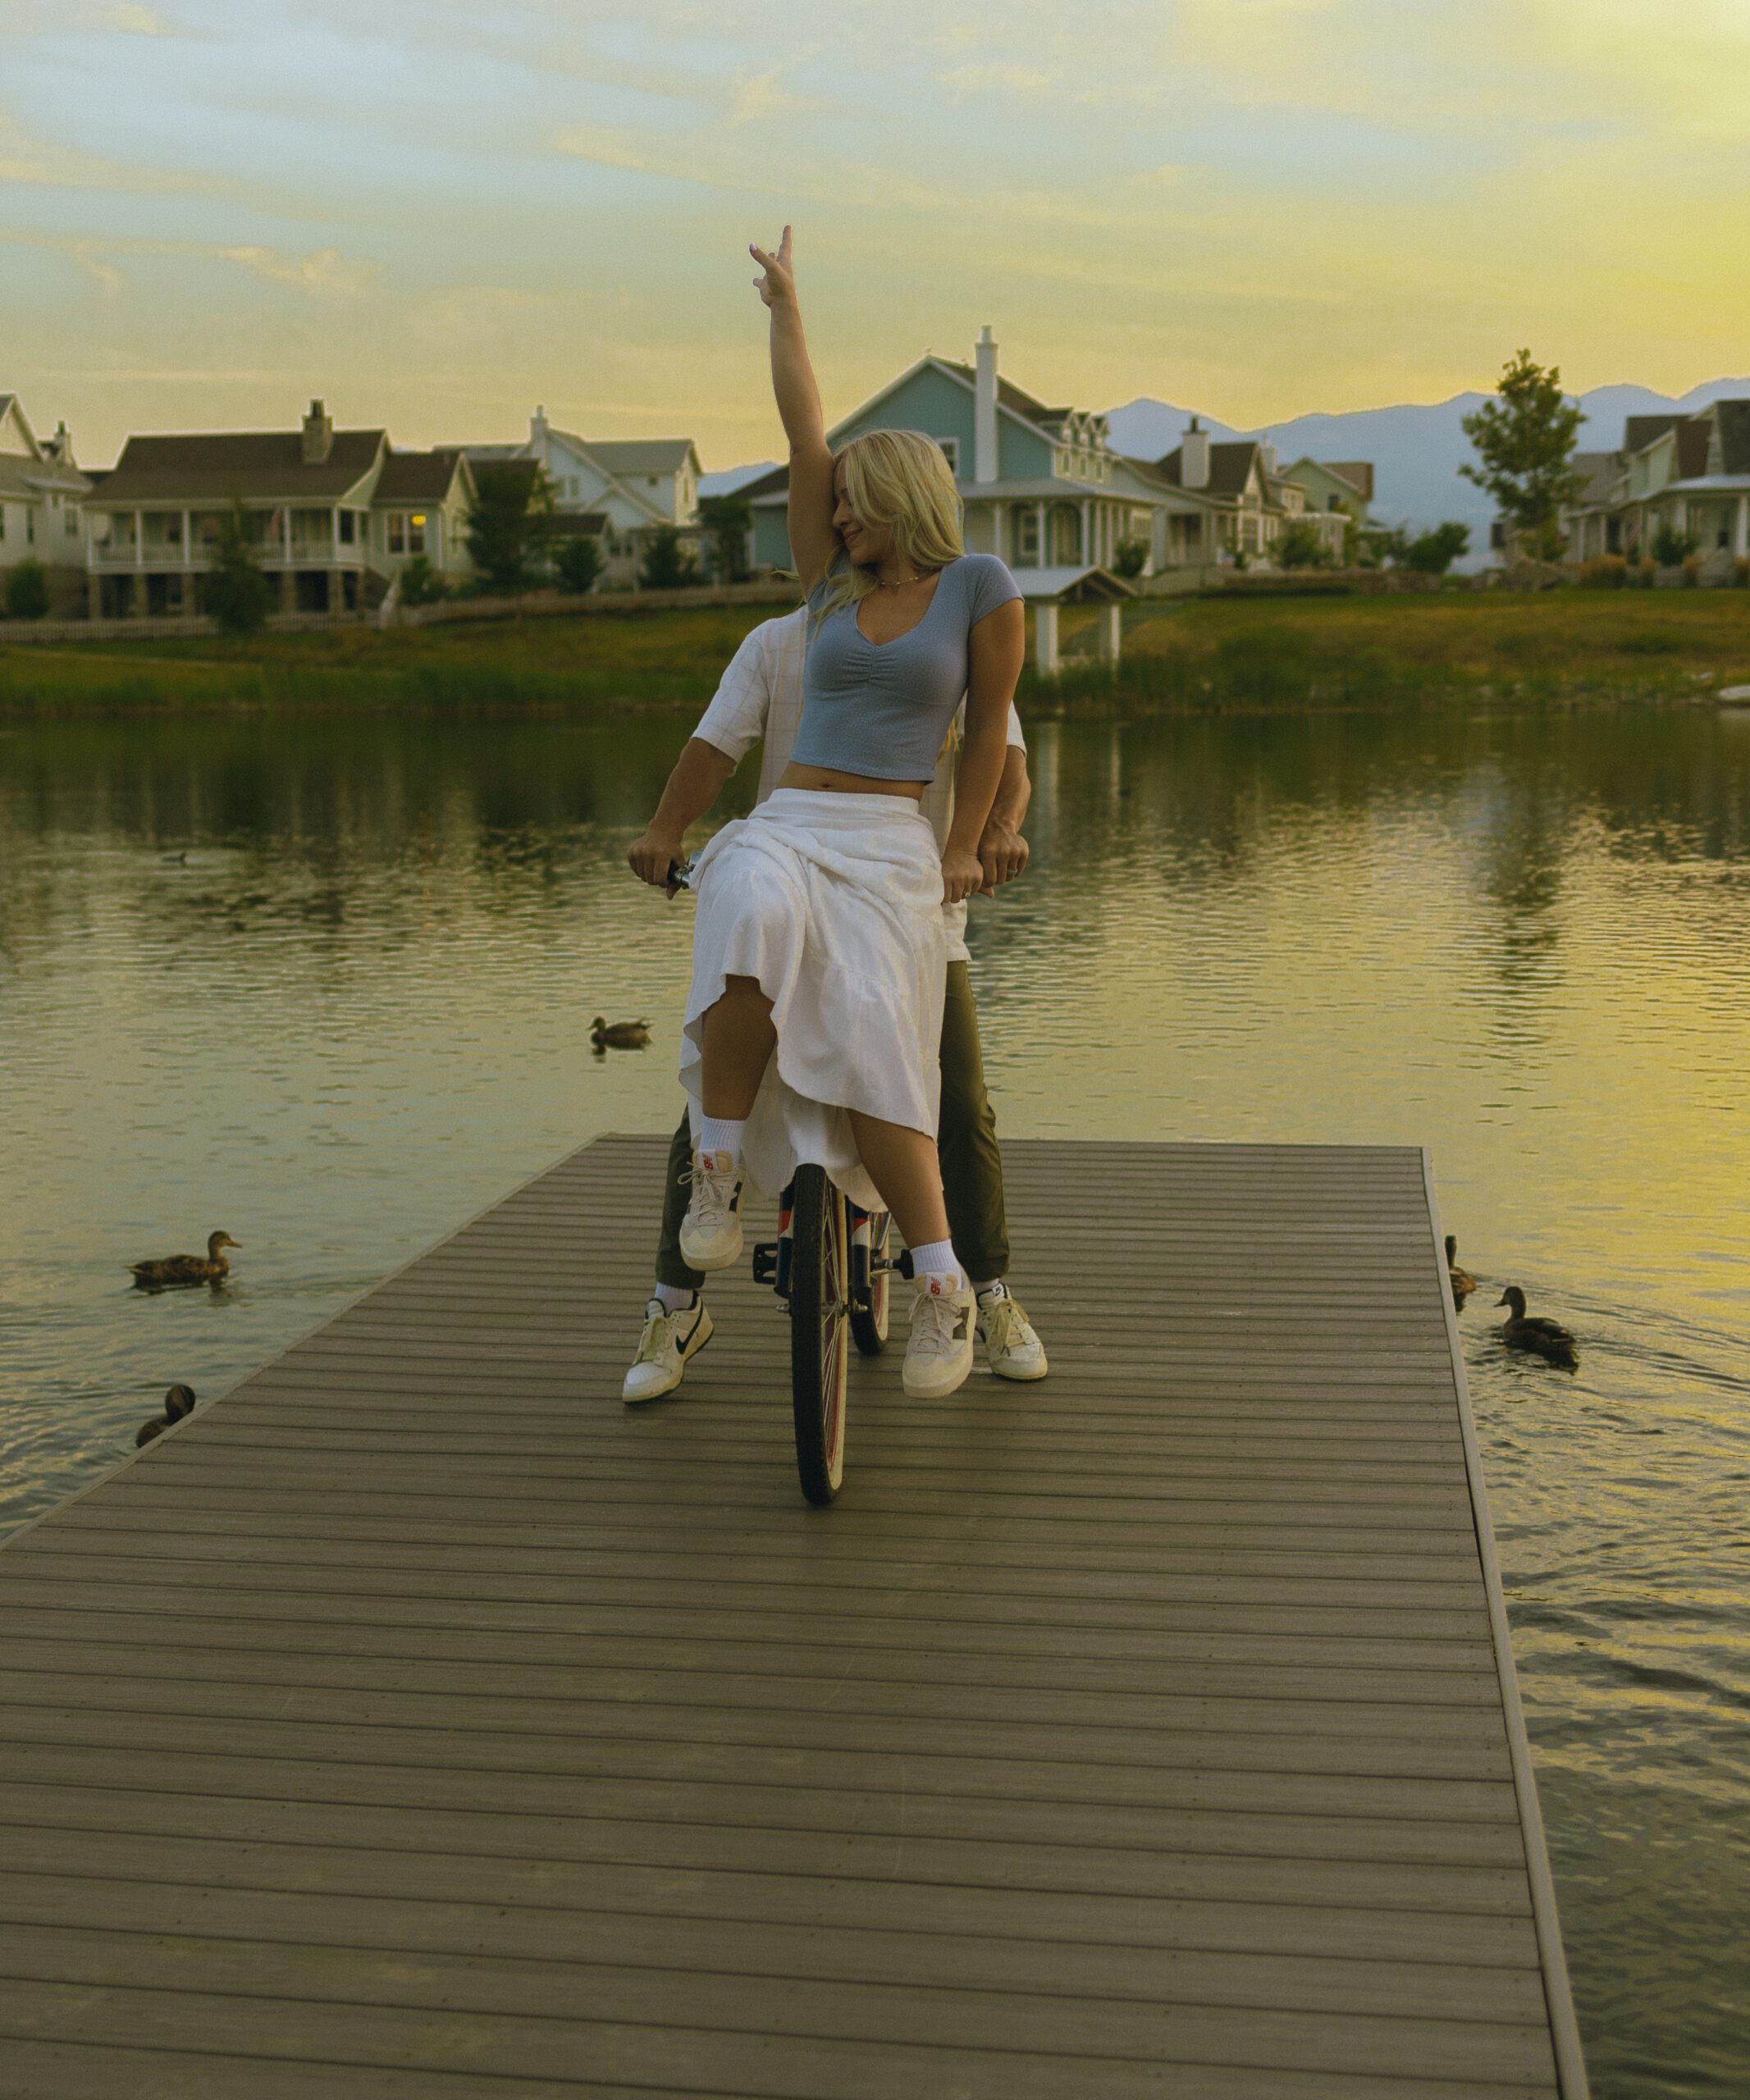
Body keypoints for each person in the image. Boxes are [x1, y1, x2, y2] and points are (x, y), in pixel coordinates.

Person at [639, 224, 1028, 1404]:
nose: (837, 517)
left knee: (885, 1056)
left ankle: (954, 1289)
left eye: (856, 504)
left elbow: (997, 737)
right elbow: (803, 432)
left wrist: (968, 845)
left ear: (900, 499)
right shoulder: (816, 599)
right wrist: (785, 307)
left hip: (889, 848)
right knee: (739, 903)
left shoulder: (979, 590)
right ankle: (716, 1177)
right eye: (836, 506)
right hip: (790, 831)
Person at [622, 602, 1049, 1400]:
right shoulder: (775, 643)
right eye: (840, 518)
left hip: (911, 907)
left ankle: (987, 1294)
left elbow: (1009, 756)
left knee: (958, 1098)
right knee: (713, 1089)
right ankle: (673, 1306)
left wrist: (998, 832)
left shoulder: (947, 639)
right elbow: (715, 747)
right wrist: (665, 830)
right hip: (792, 901)